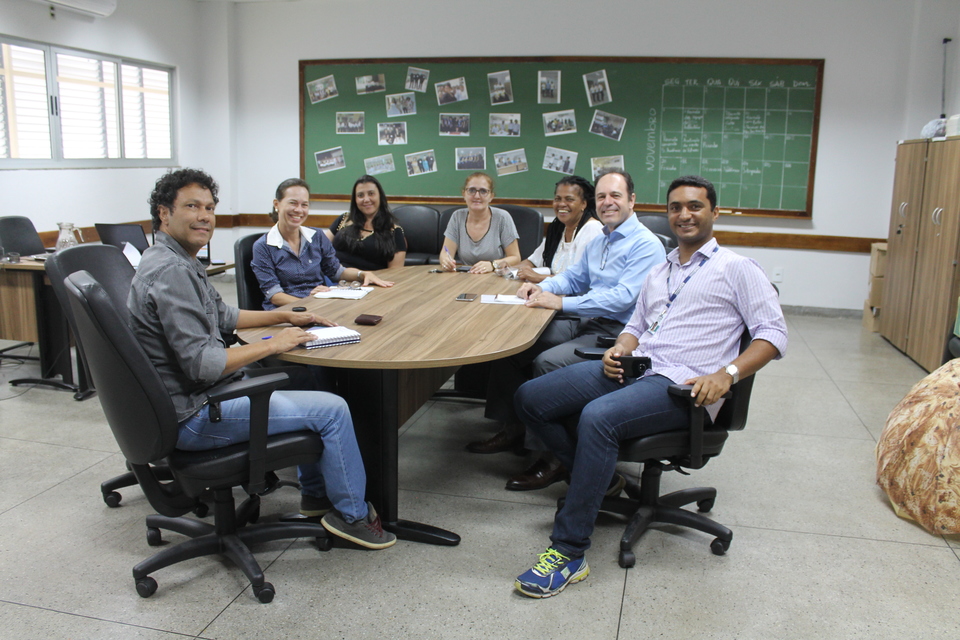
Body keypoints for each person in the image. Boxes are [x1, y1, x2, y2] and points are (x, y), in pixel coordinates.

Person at [512, 175, 788, 598]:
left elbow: (773, 333)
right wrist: (620, 347)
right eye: (676, 207)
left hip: (685, 387)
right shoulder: (661, 270)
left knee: (597, 418)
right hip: (637, 367)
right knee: (531, 396)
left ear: (714, 212)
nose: (684, 214)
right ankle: (597, 480)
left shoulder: (737, 268)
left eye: (695, 206)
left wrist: (727, 374)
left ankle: (569, 551)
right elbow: (637, 326)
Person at [128, 168, 396, 549]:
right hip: (196, 413)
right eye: (192, 206)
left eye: (209, 207)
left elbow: (223, 316)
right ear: (164, 214)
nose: (204, 215)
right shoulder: (172, 271)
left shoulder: (176, 259)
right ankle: (354, 517)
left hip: (190, 399)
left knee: (300, 381)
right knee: (333, 410)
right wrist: (275, 343)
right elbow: (203, 364)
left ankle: (317, 495)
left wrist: (286, 316)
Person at [470, 171, 666, 495]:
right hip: (590, 321)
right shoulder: (602, 240)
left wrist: (560, 302)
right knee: (511, 347)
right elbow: (573, 278)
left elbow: (622, 297)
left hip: (620, 332)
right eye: (602, 196)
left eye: (615, 196)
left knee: (547, 362)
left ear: (632, 200)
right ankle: (512, 428)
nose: (608, 202)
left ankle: (550, 457)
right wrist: (540, 287)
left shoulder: (646, 245)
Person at [251, 177, 393, 311]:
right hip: (286, 311)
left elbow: (336, 271)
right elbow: (275, 296)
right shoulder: (263, 246)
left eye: (304, 205)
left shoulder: (317, 236)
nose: (299, 210)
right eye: (293, 203)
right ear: (277, 204)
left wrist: (362, 274)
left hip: (319, 305)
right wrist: (310, 301)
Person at [515, 175, 603, 284]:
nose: (561, 204)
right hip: (552, 293)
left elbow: (583, 279)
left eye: (569, 199)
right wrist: (509, 269)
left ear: (583, 204)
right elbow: (532, 261)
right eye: (558, 199)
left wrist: (538, 277)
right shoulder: (558, 229)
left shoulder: (592, 229)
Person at [438, 172, 521, 274]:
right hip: (466, 277)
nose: (477, 196)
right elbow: (445, 253)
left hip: (494, 276)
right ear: (464, 194)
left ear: (491, 196)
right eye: (472, 190)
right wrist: (446, 261)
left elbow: (516, 258)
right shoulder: (457, 217)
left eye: (483, 191)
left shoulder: (502, 218)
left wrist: (492, 265)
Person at [326, 175, 407, 271]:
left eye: (371, 194)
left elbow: (395, 273)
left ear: (380, 196)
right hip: (332, 279)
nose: (366, 199)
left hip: (367, 283)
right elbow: (320, 247)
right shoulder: (344, 219)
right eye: (360, 195)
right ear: (355, 200)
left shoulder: (394, 232)